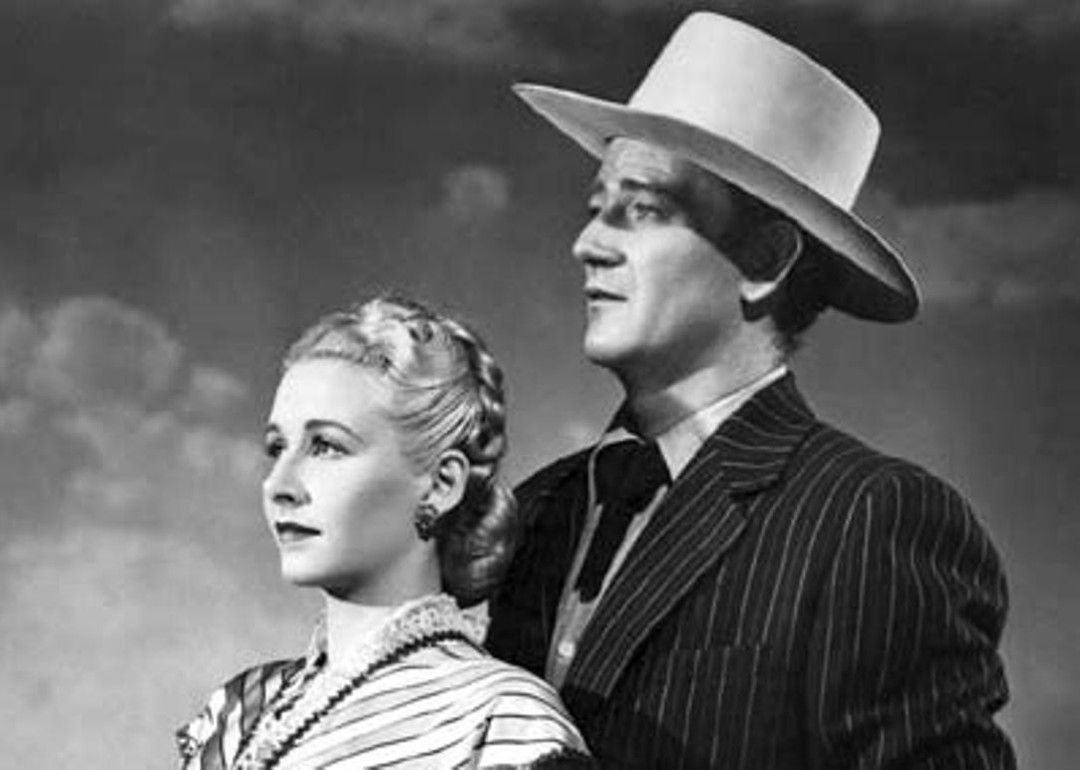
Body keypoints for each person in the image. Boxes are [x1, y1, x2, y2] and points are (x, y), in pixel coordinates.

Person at [484, 12, 1014, 769]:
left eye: (643, 209)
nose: (589, 243)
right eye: (596, 209)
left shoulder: (871, 518)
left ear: (766, 260)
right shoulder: (534, 508)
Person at [176, 295, 592, 769]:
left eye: (326, 446)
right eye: (277, 447)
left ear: (441, 483)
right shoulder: (238, 711)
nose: (279, 485)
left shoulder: (502, 722)